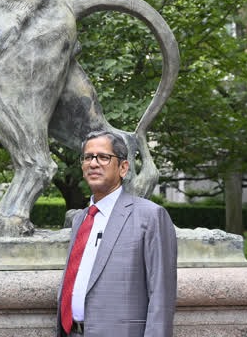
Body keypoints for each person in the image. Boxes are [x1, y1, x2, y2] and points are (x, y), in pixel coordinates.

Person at [57, 130, 177, 337]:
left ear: (123, 167)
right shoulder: (80, 219)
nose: (93, 163)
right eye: (88, 157)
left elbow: (161, 298)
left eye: (103, 157)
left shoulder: (150, 216)